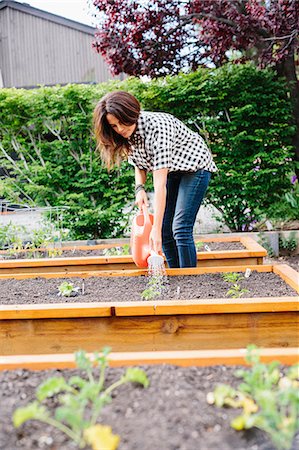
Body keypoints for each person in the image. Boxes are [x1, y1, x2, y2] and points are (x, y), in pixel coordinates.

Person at [93, 90, 217, 268]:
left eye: (122, 123)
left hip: (195, 167)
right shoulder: (128, 134)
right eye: (114, 126)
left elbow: (160, 186)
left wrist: (155, 231)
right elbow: (139, 163)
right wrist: (139, 188)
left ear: (132, 113)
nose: (119, 129)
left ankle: (190, 279)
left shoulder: (159, 127)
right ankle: (175, 277)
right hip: (173, 169)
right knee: (167, 233)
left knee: (180, 229)